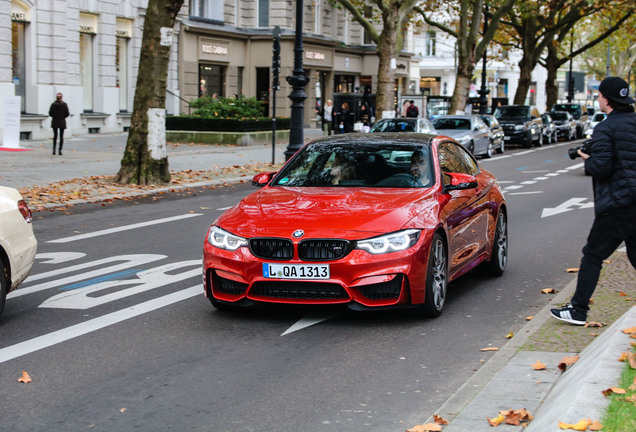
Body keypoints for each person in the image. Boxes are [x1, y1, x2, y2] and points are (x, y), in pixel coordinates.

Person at [550, 76, 636, 326]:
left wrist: (585, 156)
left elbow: (602, 168)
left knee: (592, 255)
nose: (598, 99)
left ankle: (578, 310)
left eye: (599, 96)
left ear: (607, 100)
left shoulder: (605, 128)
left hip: (618, 203)